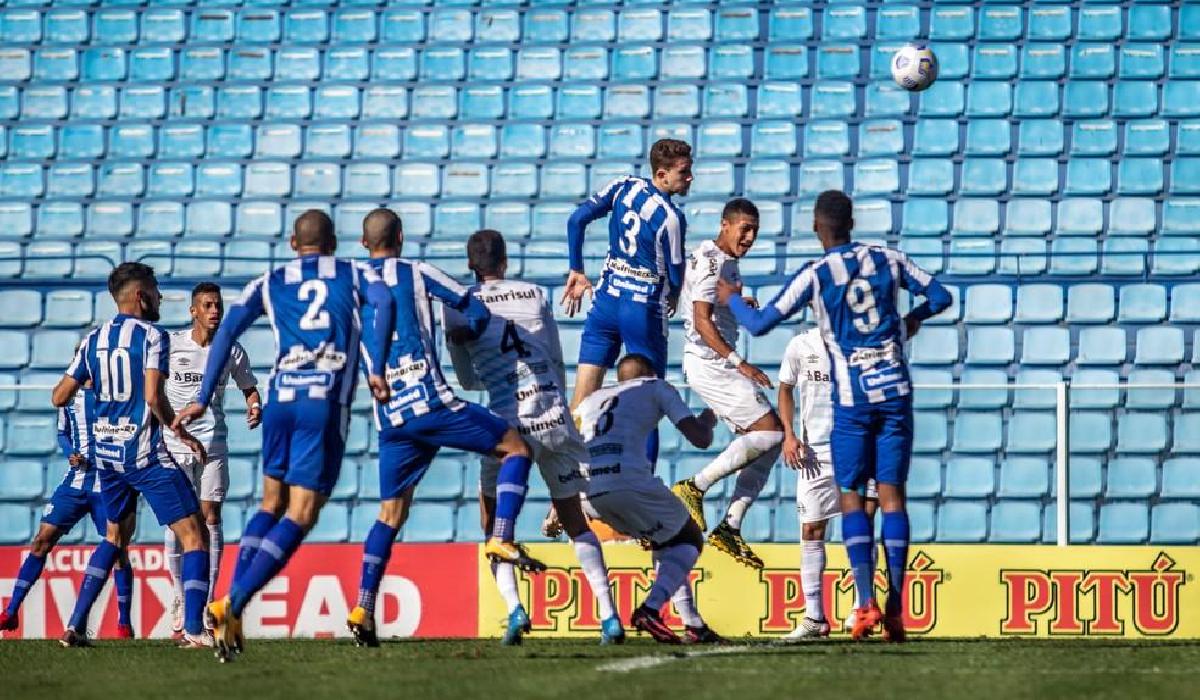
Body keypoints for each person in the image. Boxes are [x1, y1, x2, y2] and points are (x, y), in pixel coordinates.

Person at [716, 190, 951, 642]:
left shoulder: (817, 274)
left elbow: (761, 323)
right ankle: (896, 609)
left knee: (849, 498)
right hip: (896, 394)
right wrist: (911, 320)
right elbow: (940, 296)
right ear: (852, 222)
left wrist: (732, 299)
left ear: (816, 227)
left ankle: (864, 604)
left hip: (855, 401)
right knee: (892, 498)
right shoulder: (888, 258)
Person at [174, 210, 395, 662]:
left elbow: (227, 330)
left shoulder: (270, 280)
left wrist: (201, 394)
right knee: (303, 511)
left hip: (280, 402)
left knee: (270, 504)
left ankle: (230, 600)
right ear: (333, 243)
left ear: (294, 243)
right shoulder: (351, 272)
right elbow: (387, 303)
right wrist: (379, 363)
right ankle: (234, 602)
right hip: (322, 401)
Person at [343, 211, 542, 649]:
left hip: (391, 417)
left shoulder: (348, 283)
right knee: (516, 450)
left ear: (363, 241)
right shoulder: (417, 272)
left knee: (389, 515)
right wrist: (467, 336)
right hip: (433, 403)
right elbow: (473, 309)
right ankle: (502, 537)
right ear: (400, 236)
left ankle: (363, 606)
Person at [442, 228, 622, 646]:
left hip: (507, 426)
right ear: (505, 262)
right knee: (576, 519)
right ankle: (609, 617)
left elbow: (468, 381)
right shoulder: (534, 294)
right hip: (553, 412)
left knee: (493, 523)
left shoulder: (458, 308)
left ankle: (515, 610)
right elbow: (556, 358)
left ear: (473, 267)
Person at [51, 262, 210, 648]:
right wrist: (179, 430)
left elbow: (58, 396)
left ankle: (74, 626)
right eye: (155, 291)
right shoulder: (154, 336)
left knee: (114, 537)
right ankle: (192, 630)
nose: (159, 298)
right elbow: (154, 397)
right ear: (141, 296)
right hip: (142, 454)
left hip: (106, 457)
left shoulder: (92, 339)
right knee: (196, 536)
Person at [560, 139, 693, 465]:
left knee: (581, 400)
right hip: (642, 309)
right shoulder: (671, 218)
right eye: (684, 173)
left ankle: (564, 490)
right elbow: (676, 275)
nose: (690, 178)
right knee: (649, 400)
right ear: (662, 174)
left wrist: (576, 268)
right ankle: (643, 485)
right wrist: (674, 293)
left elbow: (576, 219)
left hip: (605, 303)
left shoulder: (623, 186)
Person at [576, 354, 723, 645]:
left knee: (665, 542)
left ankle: (692, 624)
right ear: (651, 371)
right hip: (628, 483)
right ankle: (651, 610)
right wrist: (708, 419)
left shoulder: (591, 400)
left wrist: (559, 505)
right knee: (689, 538)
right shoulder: (657, 386)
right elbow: (699, 439)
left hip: (586, 491)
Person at [670, 198, 785, 570]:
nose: (749, 237)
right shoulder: (713, 261)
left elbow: (709, 307)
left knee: (769, 441)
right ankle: (695, 486)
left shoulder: (726, 262)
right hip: (711, 364)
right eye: (744, 229)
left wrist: (737, 302)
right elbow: (701, 320)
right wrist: (742, 364)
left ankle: (730, 526)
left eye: (755, 231)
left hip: (716, 363)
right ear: (725, 225)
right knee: (771, 434)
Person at [163, 283, 261, 638]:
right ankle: (179, 597)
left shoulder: (232, 350)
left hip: (214, 443)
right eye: (207, 305)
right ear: (193, 311)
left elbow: (249, 386)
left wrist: (254, 405)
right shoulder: (172, 345)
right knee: (180, 522)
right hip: (173, 444)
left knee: (211, 517)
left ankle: (203, 601)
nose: (214, 311)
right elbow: (152, 385)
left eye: (218, 305)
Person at [0, 383, 136, 639]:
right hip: (75, 483)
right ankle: (11, 611)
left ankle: (124, 624)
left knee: (118, 550)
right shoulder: (69, 396)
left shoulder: (117, 394)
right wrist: (70, 452)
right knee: (41, 541)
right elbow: (63, 432)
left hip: (107, 484)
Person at [776, 327, 877, 640]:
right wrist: (789, 435)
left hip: (858, 445)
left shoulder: (863, 341)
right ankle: (814, 617)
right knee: (811, 528)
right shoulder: (800, 344)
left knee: (862, 524)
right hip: (814, 451)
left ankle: (861, 608)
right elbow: (785, 389)